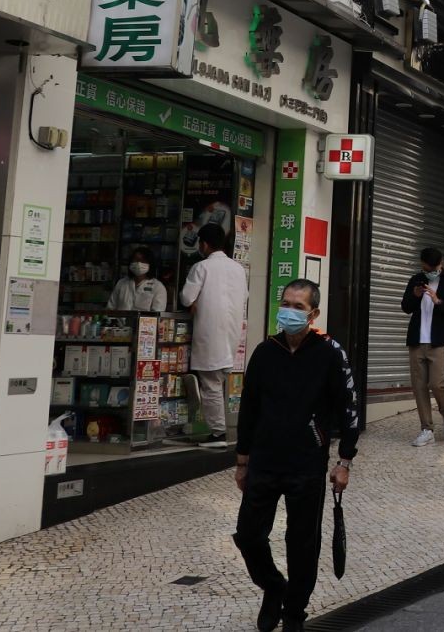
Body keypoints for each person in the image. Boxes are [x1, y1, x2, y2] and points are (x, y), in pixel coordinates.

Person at [233, 279, 359, 632]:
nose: (289, 311)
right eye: (285, 303)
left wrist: (344, 461)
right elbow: (249, 409)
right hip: (264, 460)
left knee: (302, 542)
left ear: (313, 313)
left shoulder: (330, 352)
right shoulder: (265, 352)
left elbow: (349, 409)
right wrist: (242, 460)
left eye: (298, 306)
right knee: (248, 534)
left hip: (307, 461)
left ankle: (294, 614)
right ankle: (273, 587)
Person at [181, 224, 247, 449]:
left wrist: (195, 302)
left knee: (211, 385)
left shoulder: (202, 267)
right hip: (231, 334)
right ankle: (219, 430)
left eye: (200, 243)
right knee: (216, 383)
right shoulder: (238, 268)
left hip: (210, 334)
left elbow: (186, 297)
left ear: (205, 244)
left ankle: (218, 433)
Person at [401, 247, 444, 446]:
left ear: (440, 264)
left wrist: (438, 301)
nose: (427, 271)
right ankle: (426, 429)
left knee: (437, 383)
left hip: (439, 341)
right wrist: (415, 295)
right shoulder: (417, 280)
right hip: (417, 341)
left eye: (430, 268)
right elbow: (406, 307)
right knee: (419, 387)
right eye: (424, 268)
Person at [108, 246, 167, 312]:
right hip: (119, 322)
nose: (139, 263)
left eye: (143, 261)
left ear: (150, 264)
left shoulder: (158, 287)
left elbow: (157, 313)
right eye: (136, 260)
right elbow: (111, 307)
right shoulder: (122, 283)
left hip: (144, 322)